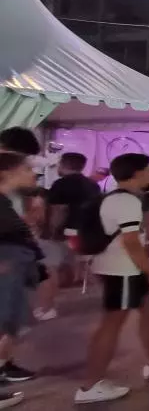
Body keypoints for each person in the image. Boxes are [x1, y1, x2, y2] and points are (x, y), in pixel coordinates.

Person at [76, 153, 149, 404]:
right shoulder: (127, 201)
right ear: (137, 173)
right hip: (123, 270)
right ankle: (89, 386)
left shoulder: (118, 197)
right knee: (112, 324)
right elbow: (131, 243)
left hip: (121, 267)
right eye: (148, 169)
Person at [0, 152, 43, 408]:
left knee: (10, 324)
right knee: (6, 323)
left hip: (14, 265)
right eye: (25, 169)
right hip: (7, 267)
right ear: (6, 173)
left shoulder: (7, 201)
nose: (31, 174)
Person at [36, 152, 99, 322]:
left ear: (64, 165)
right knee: (68, 264)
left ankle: (47, 308)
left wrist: (51, 231)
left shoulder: (61, 184)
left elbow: (59, 210)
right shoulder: (93, 185)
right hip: (84, 233)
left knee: (49, 269)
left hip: (63, 232)